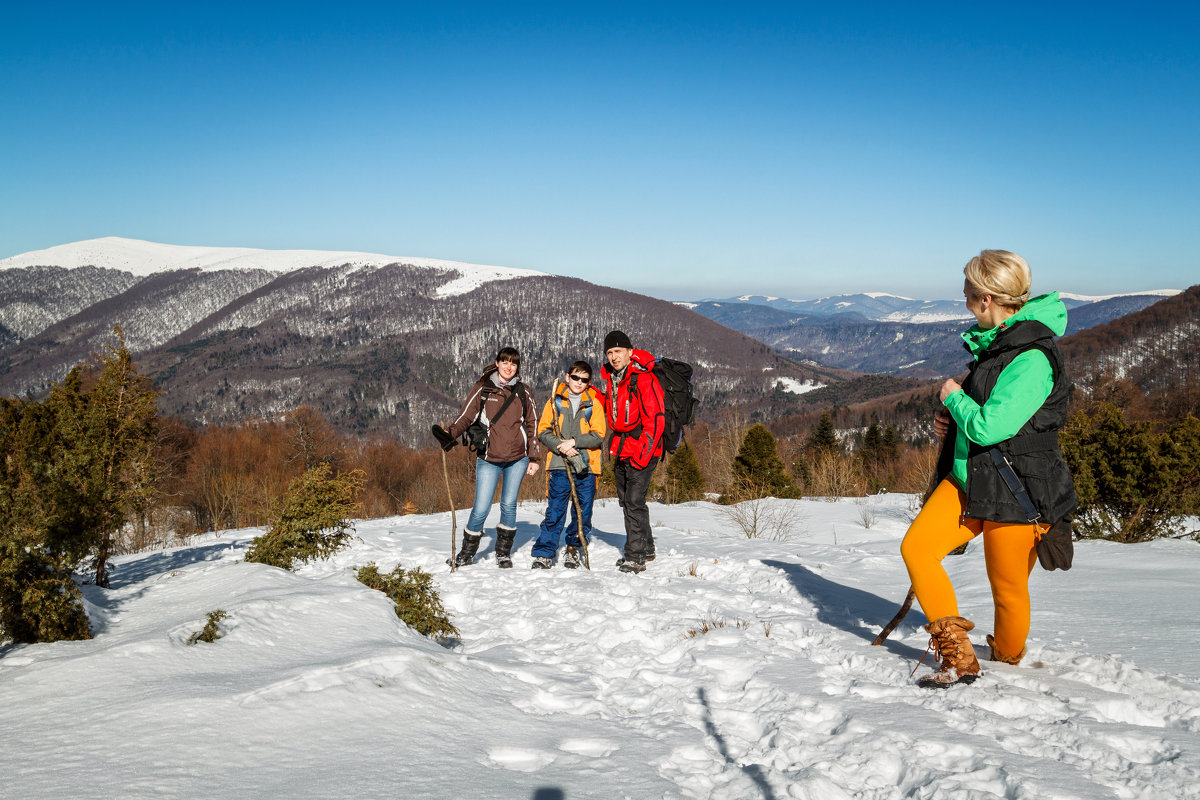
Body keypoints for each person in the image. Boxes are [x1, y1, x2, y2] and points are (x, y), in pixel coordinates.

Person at [901, 250, 1077, 688]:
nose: (964, 303)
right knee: (918, 548)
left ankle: (1007, 658)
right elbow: (978, 420)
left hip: (1017, 490)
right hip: (969, 477)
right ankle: (959, 655)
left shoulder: (1032, 358)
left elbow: (989, 426)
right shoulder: (997, 344)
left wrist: (952, 398)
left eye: (967, 295)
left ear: (988, 299)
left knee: (1007, 587)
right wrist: (951, 419)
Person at [443, 347, 540, 568]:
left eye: (513, 364)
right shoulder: (483, 389)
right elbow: (466, 416)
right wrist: (448, 436)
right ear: (497, 363)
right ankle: (466, 554)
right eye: (505, 362)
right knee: (481, 507)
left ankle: (503, 553)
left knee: (508, 505)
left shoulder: (524, 391)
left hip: (518, 458)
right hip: (489, 457)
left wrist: (534, 458)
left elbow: (533, 423)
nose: (509, 367)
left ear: (517, 368)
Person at [595, 330, 665, 574]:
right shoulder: (614, 379)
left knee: (634, 501)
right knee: (628, 501)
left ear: (629, 352)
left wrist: (643, 454)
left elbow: (655, 420)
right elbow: (613, 406)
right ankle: (647, 548)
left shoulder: (642, 378)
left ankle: (635, 556)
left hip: (643, 449)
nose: (614, 357)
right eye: (610, 353)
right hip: (623, 447)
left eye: (618, 352)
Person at [530, 361, 607, 569]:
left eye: (584, 380)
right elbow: (543, 431)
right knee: (555, 510)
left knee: (583, 511)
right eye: (575, 378)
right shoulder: (555, 401)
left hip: (587, 466)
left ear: (589, 382)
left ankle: (574, 547)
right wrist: (561, 446)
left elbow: (599, 436)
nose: (579, 383)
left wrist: (574, 442)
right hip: (559, 464)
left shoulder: (594, 404)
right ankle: (544, 552)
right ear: (567, 377)